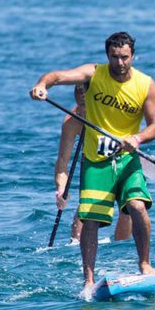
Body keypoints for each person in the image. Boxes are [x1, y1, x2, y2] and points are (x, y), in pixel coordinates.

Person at [30, 32, 155, 292]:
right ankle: (88, 281)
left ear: (133, 55)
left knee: (136, 206)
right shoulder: (94, 73)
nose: (120, 63)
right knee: (89, 220)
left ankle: (145, 265)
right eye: (115, 57)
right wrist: (42, 85)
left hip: (126, 159)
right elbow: (56, 76)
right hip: (96, 162)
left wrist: (136, 138)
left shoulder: (146, 84)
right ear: (107, 56)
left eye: (125, 57)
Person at [54, 82, 133, 243]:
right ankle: (75, 246)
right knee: (87, 203)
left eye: (87, 105)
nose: (83, 111)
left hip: (120, 156)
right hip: (91, 158)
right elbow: (63, 160)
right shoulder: (72, 121)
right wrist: (61, 187)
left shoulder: (114, 112)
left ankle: (120, 250)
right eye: (80, 105)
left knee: (127, 207)